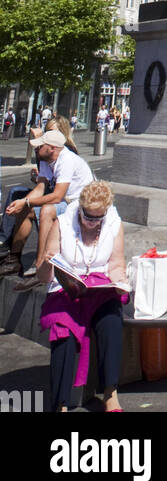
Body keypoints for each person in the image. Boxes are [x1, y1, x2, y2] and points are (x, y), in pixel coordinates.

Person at [37, 180, 128, 412]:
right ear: (80, 209)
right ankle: (61, 403)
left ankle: (110, 392)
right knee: (63, 331)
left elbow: (116, 264)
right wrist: (47, 263)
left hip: (98, 288)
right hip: (66, 288)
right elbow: (44, 276)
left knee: (111, 321)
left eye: (97, 218)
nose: (91, 223)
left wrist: (120, 282)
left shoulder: (114, 225)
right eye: (87, 217)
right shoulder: (63, 223)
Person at [0, 130, 93, 283]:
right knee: (25, 208)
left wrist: (27, 202)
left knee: (47, 210)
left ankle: (41, 266)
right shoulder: (46, 159)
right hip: (66, 201)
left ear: (52, 148)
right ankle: (14, 260)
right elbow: (40, 188)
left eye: (40, 146)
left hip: (79, 205)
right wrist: (23, 202)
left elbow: (57, 196)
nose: (36, 149)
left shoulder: (67, 160)